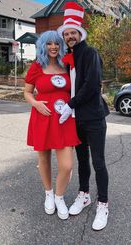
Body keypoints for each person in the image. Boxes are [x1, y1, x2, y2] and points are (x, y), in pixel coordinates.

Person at [57, 2, 110, 230]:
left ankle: (103, 204)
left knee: (98, 162)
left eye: (73, 33)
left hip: (93, 117)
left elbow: (91, 85)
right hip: (75, 119)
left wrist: (71, 103)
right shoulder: (69, 58)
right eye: (66, 33)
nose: (70, 36)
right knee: (81, 160)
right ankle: (84, 194)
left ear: (80, 33)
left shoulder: (90, 53)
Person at [24, 30, 81, 220]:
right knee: (44, 159)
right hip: (43, 117)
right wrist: (36, 104)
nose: (53, 47)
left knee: (67, 165)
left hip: (64, 120)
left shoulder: (67, 64)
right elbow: (27, 92)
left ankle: (59, 197)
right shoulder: (36, 67)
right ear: (43, 46)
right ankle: (48, 194)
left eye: (56, 43)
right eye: (49, 44)